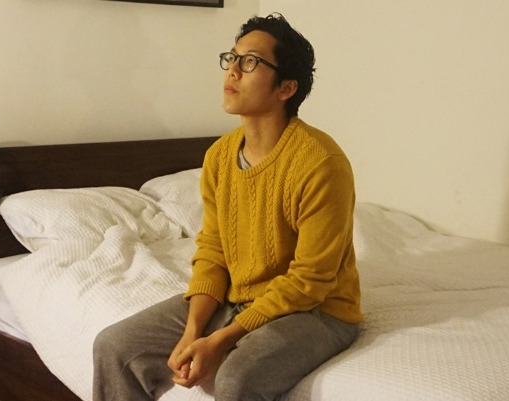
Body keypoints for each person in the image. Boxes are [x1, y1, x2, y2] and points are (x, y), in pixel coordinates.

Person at [93, 13, 363, 401]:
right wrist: (192, 331)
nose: (232, 70)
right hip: (236, 297)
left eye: (250, 61)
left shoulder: (320, 163)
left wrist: (222, 340)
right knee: (114, 347)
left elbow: (311, 280)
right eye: (232, 57)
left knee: (235, 378)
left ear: (286, 88)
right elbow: (214, 250)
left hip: (318, 311)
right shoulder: (219, 156)